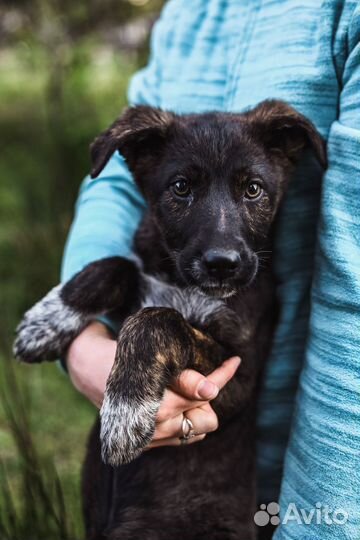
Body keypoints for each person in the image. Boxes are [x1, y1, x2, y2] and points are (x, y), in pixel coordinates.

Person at [61, 1, 360, 537]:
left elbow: (354, 290)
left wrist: (325, 521)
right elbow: (114, 180)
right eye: (184, 189)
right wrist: (82, 337)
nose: (222, 244)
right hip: (124, 486)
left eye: (252, 191)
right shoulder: (188, 11)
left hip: (288, 483)